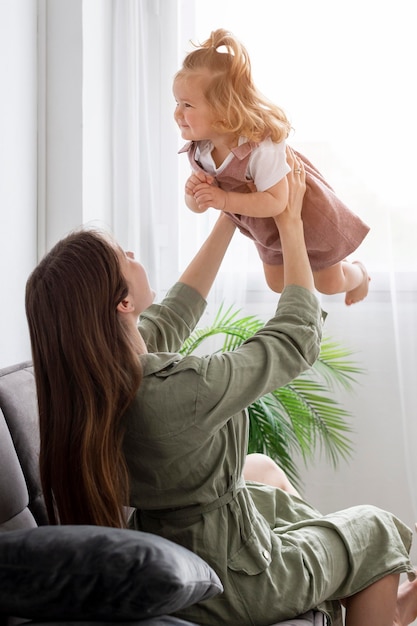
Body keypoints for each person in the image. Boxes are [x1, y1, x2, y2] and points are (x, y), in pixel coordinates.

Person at [25, 150, 417, 626]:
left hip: (184, 539)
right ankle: (377, 604)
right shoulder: (174, 393)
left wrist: (233, 215)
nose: (133, 255)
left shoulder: (97, 380)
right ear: (123, 302)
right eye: (123, 257)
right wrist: (290, 225)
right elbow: (294, 340)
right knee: (375, 529)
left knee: (263, 468)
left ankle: (361, 594)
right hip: (234, 583)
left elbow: (176, 310)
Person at [174, 28, 371, 306]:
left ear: (223, 110)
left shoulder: (259, 147)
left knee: (330, 282)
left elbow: (278, 202)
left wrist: (225, 199)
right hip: (263, 226)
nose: (177, 113)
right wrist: (193, 195)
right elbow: (200, 205)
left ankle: (359, 274)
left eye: (187, 105)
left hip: (303, 215)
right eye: (177, 103)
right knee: (278, 283)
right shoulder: (201, 148)